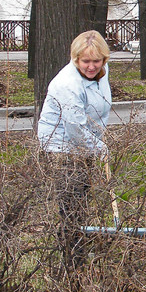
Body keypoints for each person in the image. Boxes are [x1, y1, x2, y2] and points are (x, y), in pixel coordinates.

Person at [37, 30, 112, 267]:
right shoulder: (67, 84)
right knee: (71, 203)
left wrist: (98, 141)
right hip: (62, 147)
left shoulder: (102, 73)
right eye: (85, 61)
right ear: (75, 59)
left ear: (104, 60)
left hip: (86, 143)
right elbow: (75, 129)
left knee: (82, 198)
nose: (91, 66)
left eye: (96, 61)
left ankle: (79, 247)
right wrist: (99, 147)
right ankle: (72, 259)